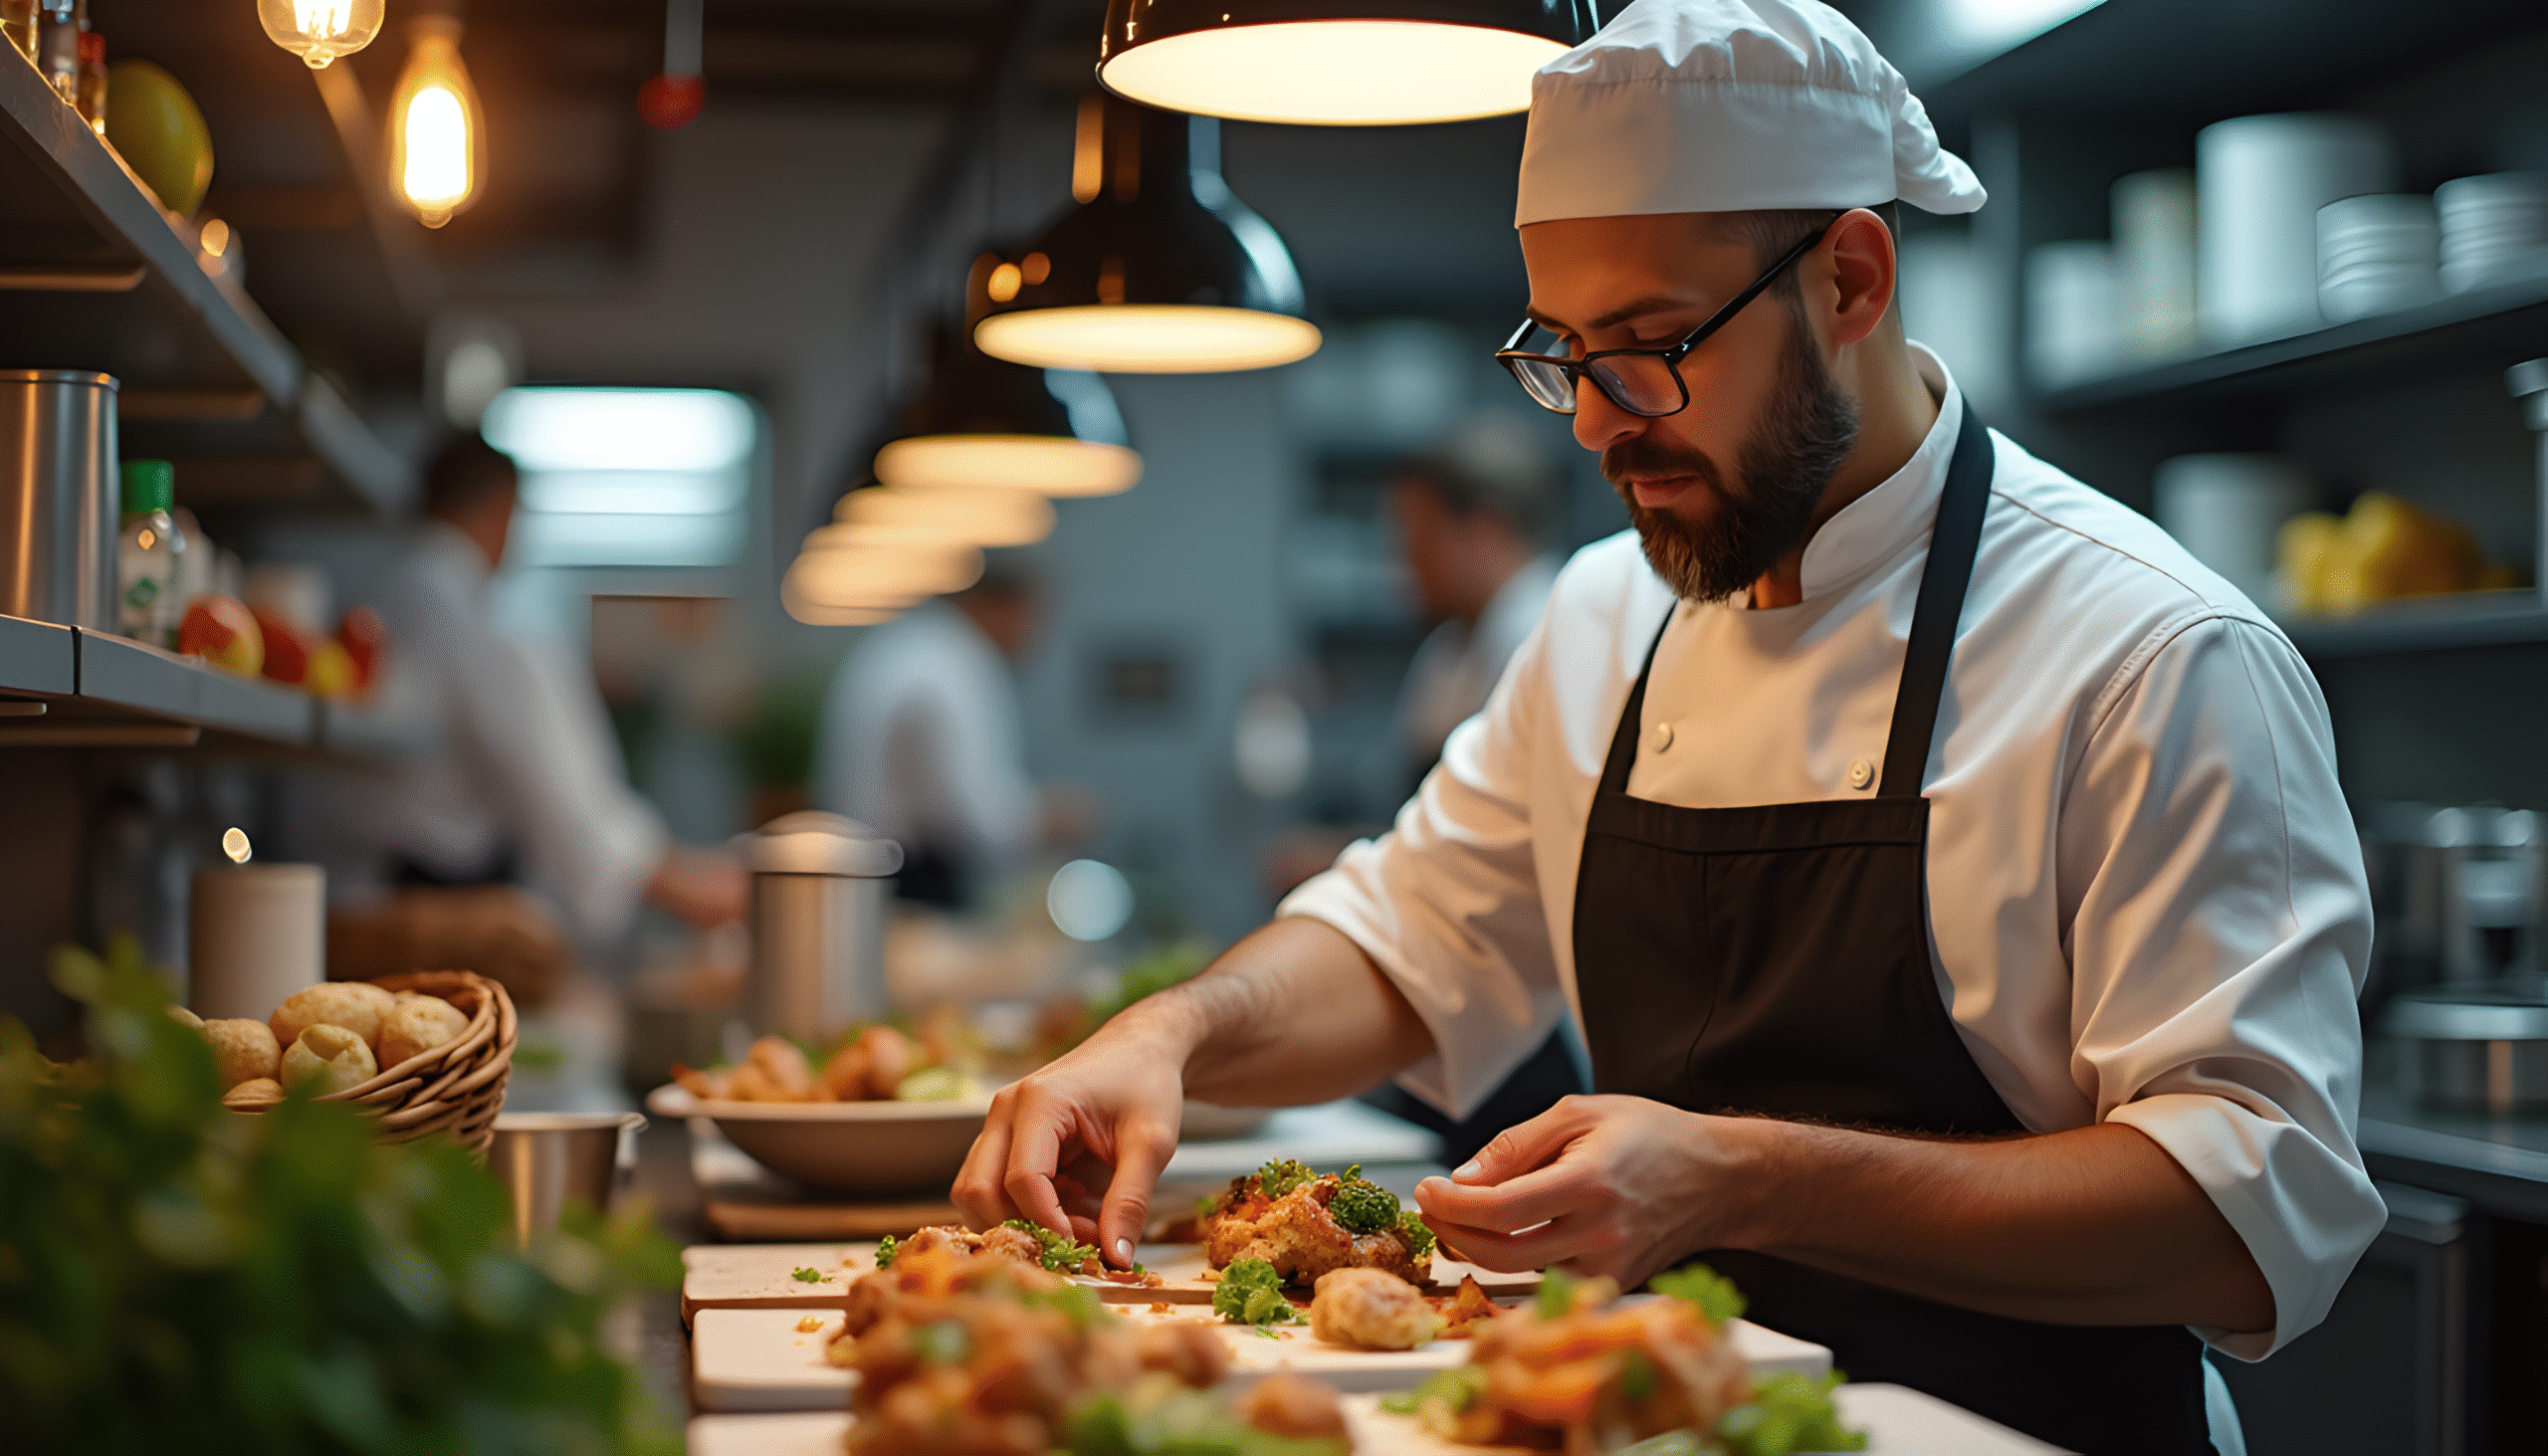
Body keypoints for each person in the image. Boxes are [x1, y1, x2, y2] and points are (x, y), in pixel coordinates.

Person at [953, 5, 2383, 1453]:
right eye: (1563, 350)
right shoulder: (1601, 618)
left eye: (1645, 346)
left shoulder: (2149, 652)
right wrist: (1171, 1034)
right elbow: (1410, 939)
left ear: (1850, 278)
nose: (1593, 423)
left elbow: (2245, 1210)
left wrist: (1749, 1175)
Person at [295, 436, 747, 940]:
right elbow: (566, 808)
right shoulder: (470, 623)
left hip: (324, 903)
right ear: (500, 508)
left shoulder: (372, 599)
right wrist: (692, 887)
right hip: (418, 917)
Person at [812, 553, 1082, 910]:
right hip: (906, 880)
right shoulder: (951, 668)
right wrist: (1047, 817)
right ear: (1001, 605)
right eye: (1032, 617)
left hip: (864, 866)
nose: (1034, 637)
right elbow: (975, 815)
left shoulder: (909, 644)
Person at [1389, 417, 1563, 790]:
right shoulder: (1447, 649)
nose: (1406, 566)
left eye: (1421, 542)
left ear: (1485, 529)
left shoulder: (1550, 634)